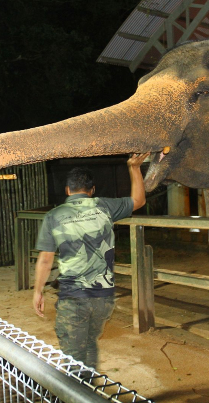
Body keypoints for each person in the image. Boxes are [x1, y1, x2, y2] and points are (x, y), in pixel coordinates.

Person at [33, 153, 148, 369]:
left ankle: (79, 393)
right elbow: (139, 200)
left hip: (74, 298)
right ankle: (90, 389)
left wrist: (37, 291)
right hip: (104, 298)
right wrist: (134, 168)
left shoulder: (54, 216)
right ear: (92, 190)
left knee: (73, 359)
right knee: (89, 344)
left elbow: (46, 260)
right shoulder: (104, 206)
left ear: (67, 190)